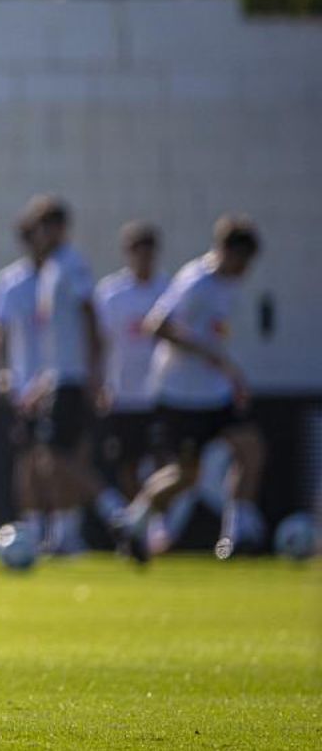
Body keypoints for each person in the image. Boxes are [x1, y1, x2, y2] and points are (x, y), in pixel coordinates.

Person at [114, 215, 267, 562]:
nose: (246, 268)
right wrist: (209, 355)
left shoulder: (230, 285)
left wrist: (232, 375)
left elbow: (219, 338)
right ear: (228, 252)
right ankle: (133, 521)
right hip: (180, 395)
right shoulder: (195, 281)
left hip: (215, 394)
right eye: (243, 259)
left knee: (250, 448)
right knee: (186, 476)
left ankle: (236, 534)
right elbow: (157, 326)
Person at [25, 196, 127, 555]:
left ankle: (114, 508)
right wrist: (44, 379)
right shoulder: (52, 268)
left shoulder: (71, 265)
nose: (41, 235)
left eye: (47, 227)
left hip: (74, 377)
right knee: (60, 457)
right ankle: (65, 535)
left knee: (53, 454)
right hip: (59, 377)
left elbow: (90, 319)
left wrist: (94, 374)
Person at [92, 222, 167, 499]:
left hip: (159, 394)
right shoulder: (111, 293)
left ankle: (158, 521)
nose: (143, 259)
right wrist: (99, 382)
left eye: (148, 253)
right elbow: (98, 342)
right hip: (122, 393)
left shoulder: (168, 290)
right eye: (137, 252)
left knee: (162, 461)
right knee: (128, 463)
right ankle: (138, 523)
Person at [0, 222, 48, 545]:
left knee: (63, 457)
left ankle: (66, 531)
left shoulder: (67, 274)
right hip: (25, 386)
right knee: (28, 458)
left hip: (61, 382)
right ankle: (33, 530)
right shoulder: (12, 282)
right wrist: (3, 372)